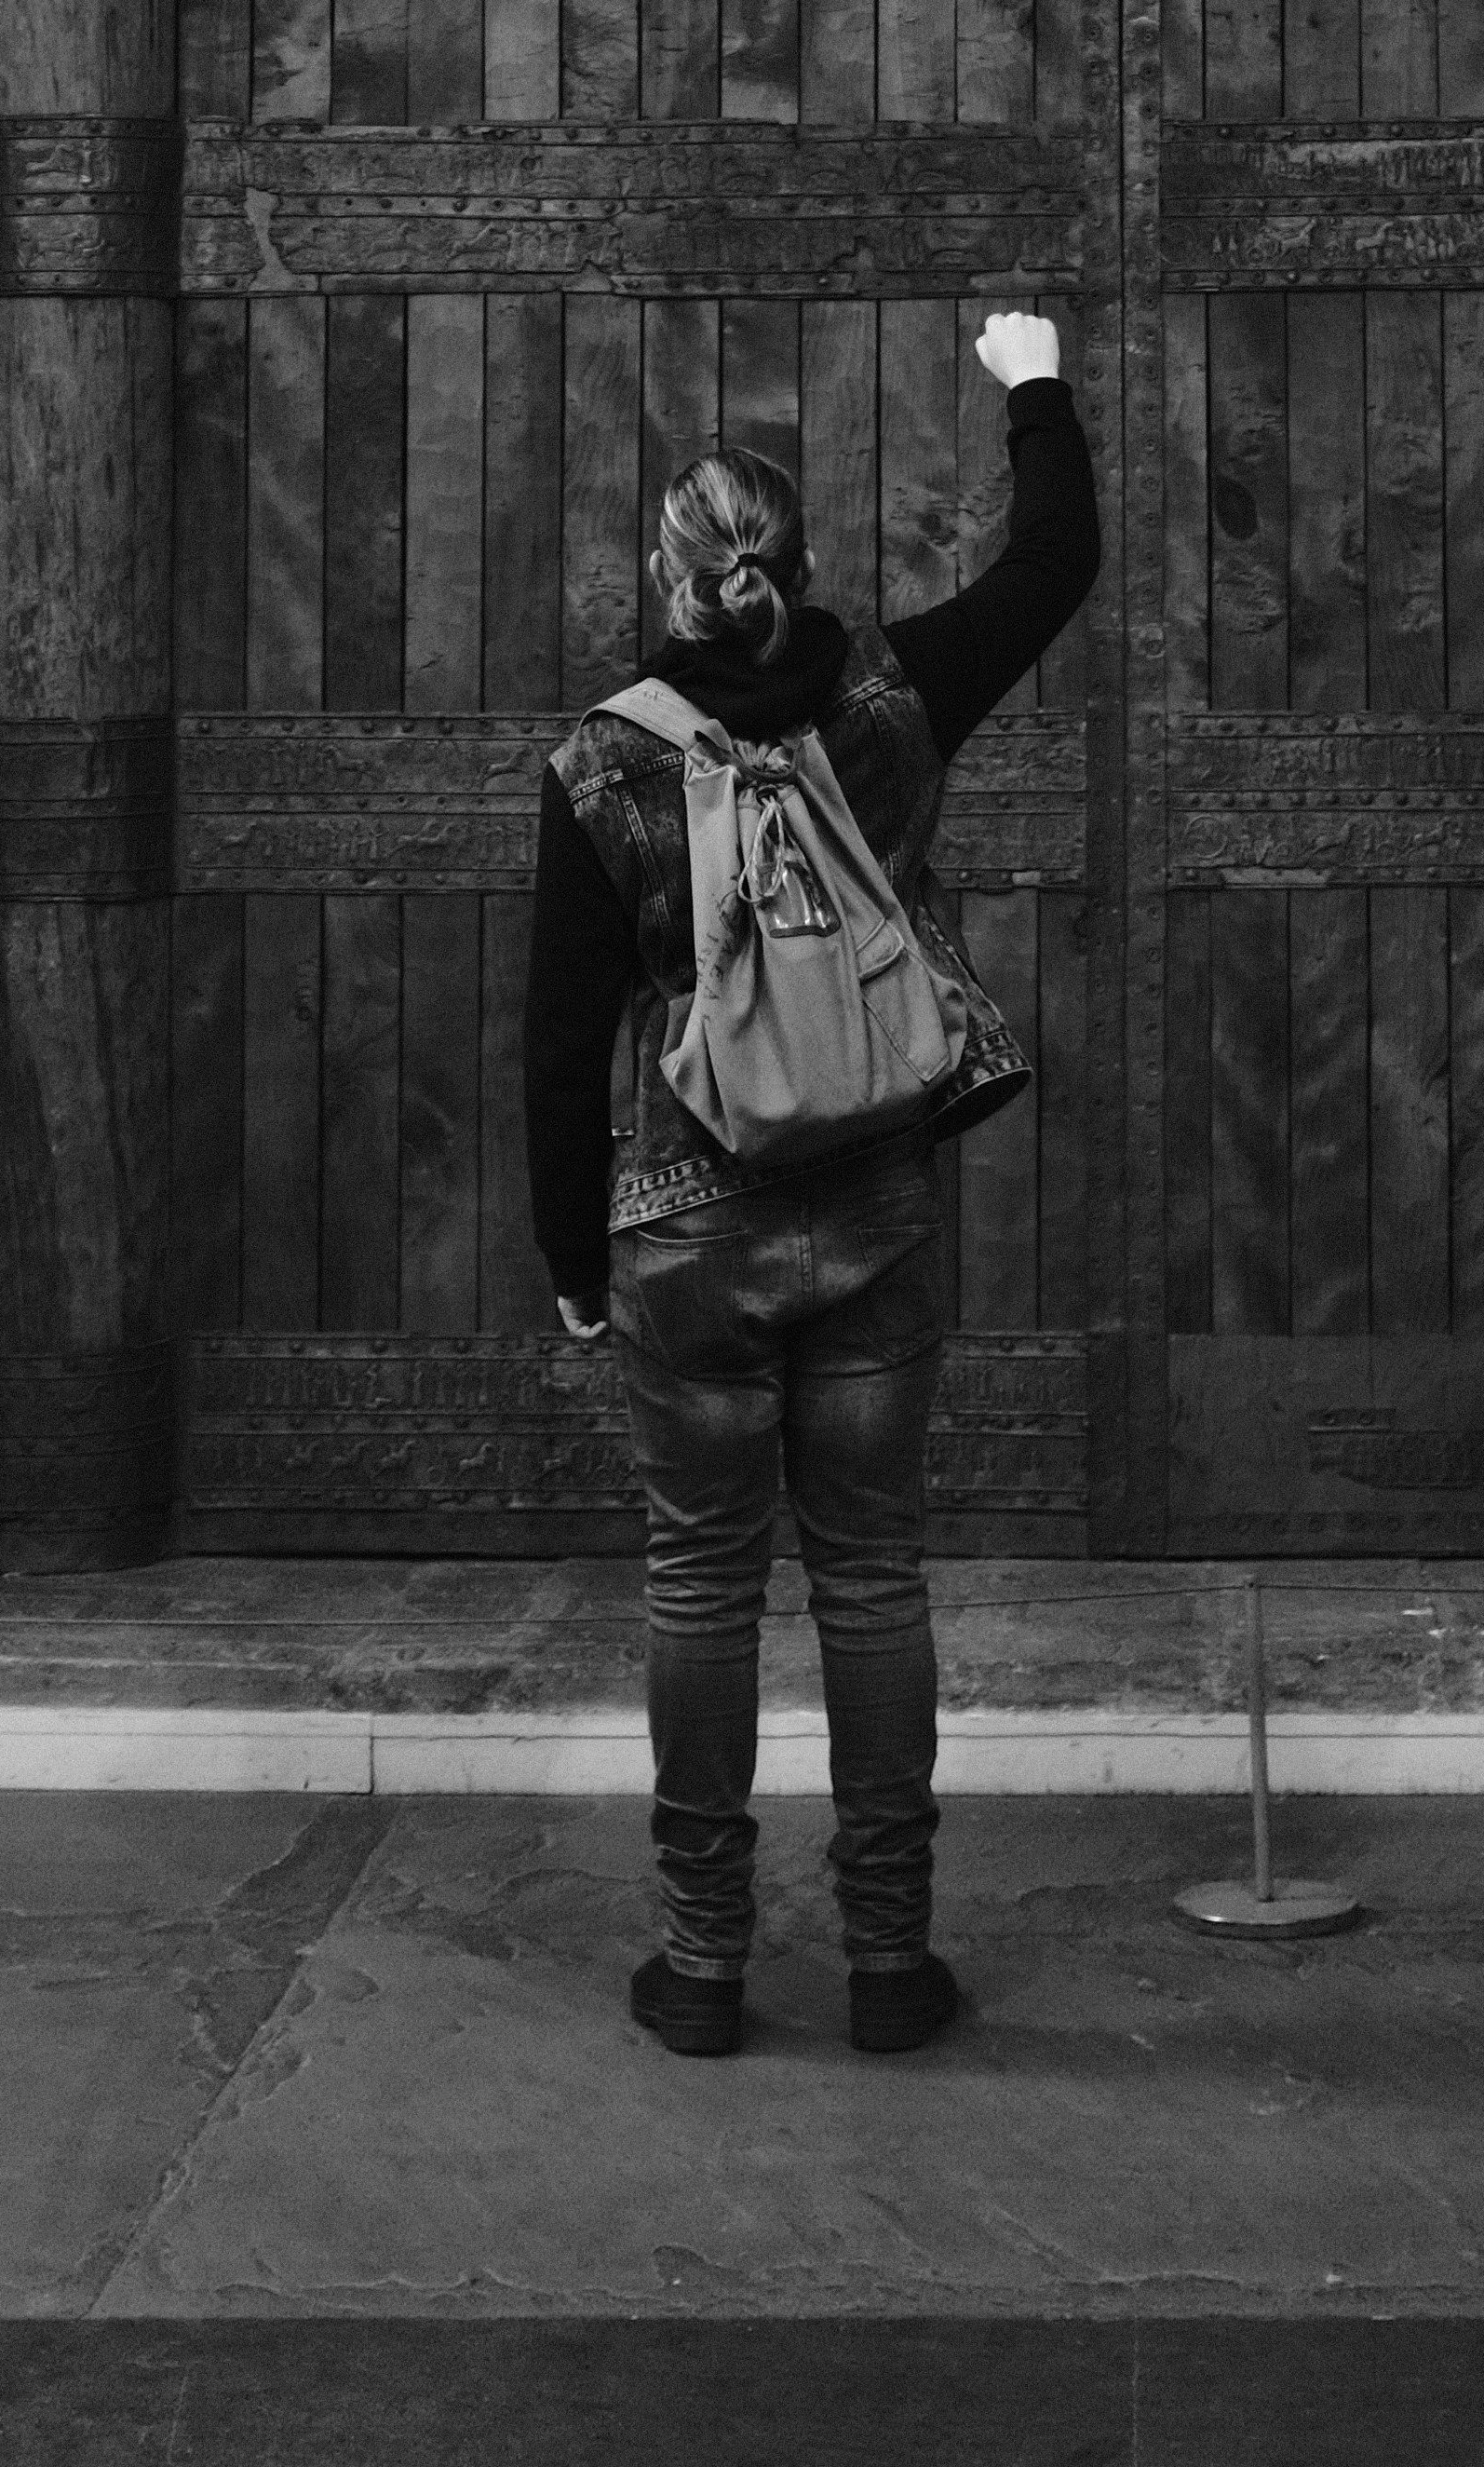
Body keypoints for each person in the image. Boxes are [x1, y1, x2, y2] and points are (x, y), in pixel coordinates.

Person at [527, 305, 1098, 2061]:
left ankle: (703, 1968)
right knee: (872, 1579)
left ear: (667, 572)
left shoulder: (604, 759)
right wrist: (1034, 380)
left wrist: (571, 1254)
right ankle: (889, 1964)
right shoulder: (893, 695)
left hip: (676, 1224)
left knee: (700, 1586)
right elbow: (1057, 561)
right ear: (798, 562)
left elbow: (557, 1034)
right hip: (873, 1202)